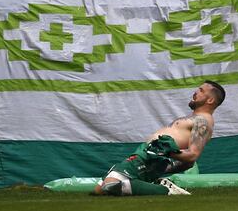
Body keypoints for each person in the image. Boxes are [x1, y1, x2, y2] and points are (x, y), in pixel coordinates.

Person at [93, 80, 226, 196]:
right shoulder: (194, 119)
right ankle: (152, 183)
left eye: (201, 91)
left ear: (210, 100)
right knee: (99, 190)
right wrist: (163, 166)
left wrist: (165, 152)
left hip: (150, 158)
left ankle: (165, 190)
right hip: (147, 155)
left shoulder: (202, 122)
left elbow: (192, 156)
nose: (195, 92)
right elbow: (186, 162)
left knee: (110, 186)